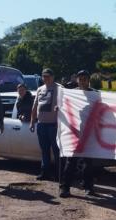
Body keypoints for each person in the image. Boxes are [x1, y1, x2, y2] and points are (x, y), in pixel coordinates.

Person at [60, 70, 98, 198]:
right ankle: (64, 188)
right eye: (80, 79)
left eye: (85, 79)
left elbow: (102, 109)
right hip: (74, 133)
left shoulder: (95, 94)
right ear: (77, 80)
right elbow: (63, 106)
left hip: (90, 134)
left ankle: (88, 187)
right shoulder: (72, 94)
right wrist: (58, 109)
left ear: (88, 80)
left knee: (88, 163)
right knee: (71, 162)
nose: (82, 81)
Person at [30, 68, 61, 181]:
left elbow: (65, 105)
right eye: (44, 76)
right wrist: (32, 121)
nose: (46, 78)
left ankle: (59, 174)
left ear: (53, 77)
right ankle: (45, 172)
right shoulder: (40, 89)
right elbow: (35, 106)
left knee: (57, 150)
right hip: (41, 124)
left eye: (48, 76)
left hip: (54, 125)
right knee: (44, 150)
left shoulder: (59, 88)